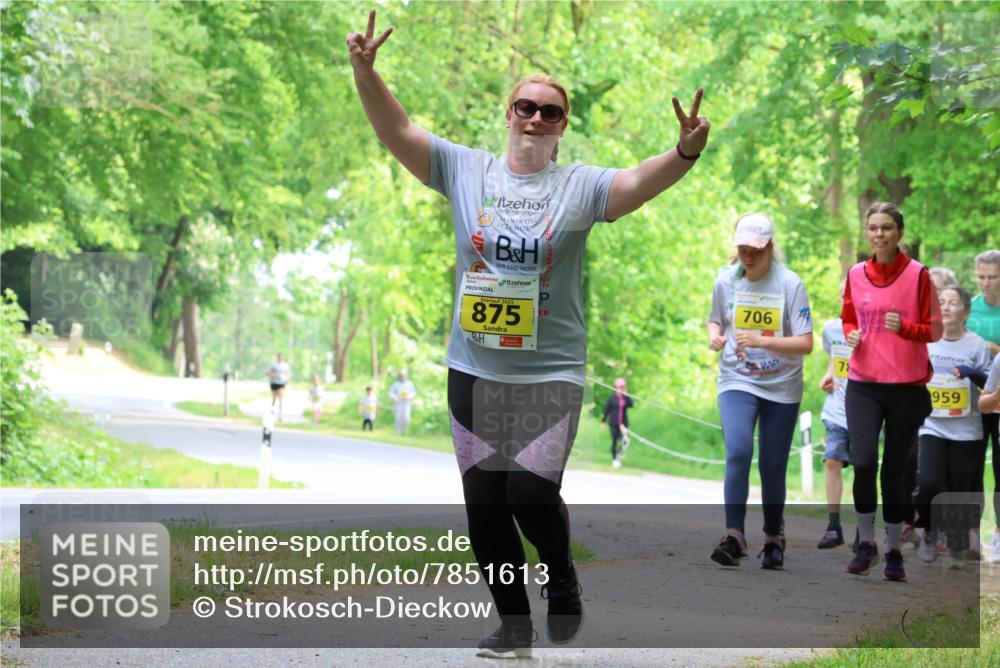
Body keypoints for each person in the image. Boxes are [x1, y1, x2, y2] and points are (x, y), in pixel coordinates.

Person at [347, 9, 709, 657]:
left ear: (563, 126)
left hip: (549, 372)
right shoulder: (467, 171)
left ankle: (561, 574)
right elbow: (397, 129)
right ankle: (514, 630)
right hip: (473, 370)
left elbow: (635, 182)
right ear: (507, 113)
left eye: (550, 111)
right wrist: (364, 70)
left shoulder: (578, 186)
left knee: (529, 491)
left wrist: (685, 151)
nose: (536, 118)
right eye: (525, 106)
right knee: (484, 507)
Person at [841, 202, 942, 582]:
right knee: (863, 460)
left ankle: (894, 551)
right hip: (864, 383)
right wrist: (851, 331)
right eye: (873, 228)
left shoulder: (918, 275)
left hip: (906, 386)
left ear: (899, 233)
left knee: (895, 471)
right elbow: (848, 314)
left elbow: (933, 330)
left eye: (886, 227)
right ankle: (865, 543)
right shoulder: (855, 274)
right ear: (866, 232)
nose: (879, 234)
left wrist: (906, 330)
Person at [707, 213, 813, 570]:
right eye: (742, 249)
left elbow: (806, 343)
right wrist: (714, 336)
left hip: (781, 385)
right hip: (737, 379)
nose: (748, 257)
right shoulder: (726, 280)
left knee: (771, 464)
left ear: (769, 246)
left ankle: (772, 536)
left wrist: (769, 343)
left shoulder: (789, 283)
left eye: (754, 249)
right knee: (738, 451)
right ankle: (733, 535)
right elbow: (715, 318)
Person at [912, 286, 991, 569]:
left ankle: (957, 546)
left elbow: (990, 388)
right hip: (931, 426)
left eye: (953, 303)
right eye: (940, 302)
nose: (945, 307)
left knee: (959, 490)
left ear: (966, 311)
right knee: (929, 484)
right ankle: (929, 531)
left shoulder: (977, 345)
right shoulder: (926, 342)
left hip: (966, 431)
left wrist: (974, 374)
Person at [967, 250, 1000, 560]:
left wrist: (996, 349)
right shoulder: (971, 310)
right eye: (982, 276)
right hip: (973, 401)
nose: (987, 283)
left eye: (993, 276)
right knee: (972, 468)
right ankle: (972, 535)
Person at [817, 282, 851, 549]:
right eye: (844, 295)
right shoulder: (831, 329)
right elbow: (835, 358)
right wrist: (829, 374)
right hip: (837, 407)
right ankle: (833, 525)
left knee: (865, 467)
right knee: (832, 461)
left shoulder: (874, 332)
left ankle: (864, 529)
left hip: (868, 411)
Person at [602, 377, 633, 468]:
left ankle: (619, 457)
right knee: (615, 440)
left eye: (623, 387)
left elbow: (631, 405)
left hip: (623, 424)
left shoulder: (625, 398)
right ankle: (614, 459)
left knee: (624, 441)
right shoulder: (612, 398)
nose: (621, 388)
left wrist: (626, 395)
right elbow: (607, 410)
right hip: (614, 423)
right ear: (616, 387)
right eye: (620, 387)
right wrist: (603, 421)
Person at [389, 369, 416, 435]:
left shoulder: (410, 383)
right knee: (398, 418)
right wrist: (395, 397)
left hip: (406, 404)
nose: (402, 377)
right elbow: (391, 393)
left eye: (403, 376)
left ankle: (404, 431)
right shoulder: (396, 384)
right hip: (398, 404)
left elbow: (413, 393)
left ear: (406, 376)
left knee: (406, 418)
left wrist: (409, 397)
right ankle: (398, 432)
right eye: (401, 376)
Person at [266, 353, 291, 422]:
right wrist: (273, 374)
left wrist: (287, 380)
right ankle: (272, 412)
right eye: (279, 357)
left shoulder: (285, 365)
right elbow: (267, 373)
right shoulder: (273, 364)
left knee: (281, 399)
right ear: (277, 357)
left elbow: (288, 374)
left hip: (281, 383)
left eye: (282, 357)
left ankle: (280, 415)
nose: (280, 358)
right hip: (274, 383)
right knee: (274, 399)